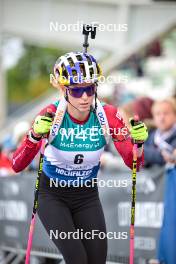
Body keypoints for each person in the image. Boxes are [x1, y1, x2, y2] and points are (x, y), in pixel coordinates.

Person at [12, 51, 148, 264]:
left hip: (86, 196)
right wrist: (34, 136)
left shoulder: (107, 114)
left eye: (90, 88)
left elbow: (134, 164)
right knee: (76, 259)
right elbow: (17, 165)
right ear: (63, 90)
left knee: (96, 260)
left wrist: (138, 144)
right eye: (77, 91)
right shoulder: (50, 114)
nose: (85, 97)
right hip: (52, 196)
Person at [144, 98, 176, 264]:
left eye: (166, 113)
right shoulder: (151, 137)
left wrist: (155, 155)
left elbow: (170, 159)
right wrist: (157, 155)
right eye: (158, 114)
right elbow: (141, 157)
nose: (162, 118)